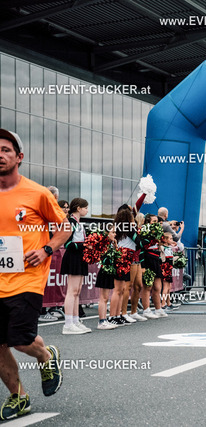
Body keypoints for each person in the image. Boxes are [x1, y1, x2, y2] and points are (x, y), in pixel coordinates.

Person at [0, 129, 68, 420]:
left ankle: (45, 355)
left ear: (19, 157)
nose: (0, 155)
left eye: (6, 149)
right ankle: (19, 397)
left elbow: (65, 227)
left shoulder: (37, 193)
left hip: (27, 279)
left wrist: (46, 250)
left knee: (19, 340)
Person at [60, 197, 91, 334]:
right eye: (85, 208)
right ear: (78, 208)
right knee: (71, 291)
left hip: (80, 257)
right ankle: (68, 324)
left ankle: (75, 320)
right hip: (73, 257)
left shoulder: (78, 223)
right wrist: (85, 245)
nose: (87, 210)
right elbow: (67, 244)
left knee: (77, 291)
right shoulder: (71, 222)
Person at [96, 224, 119, 330]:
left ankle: (104, 319)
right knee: (103, 297)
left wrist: (115, 245)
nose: (115, 234)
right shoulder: (103, 244)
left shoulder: (111, 244)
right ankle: (101, 321)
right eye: (113, 232)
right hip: (104, 271)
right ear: (106, 233)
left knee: (106, 298)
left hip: (110, 271)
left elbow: (117, 256)